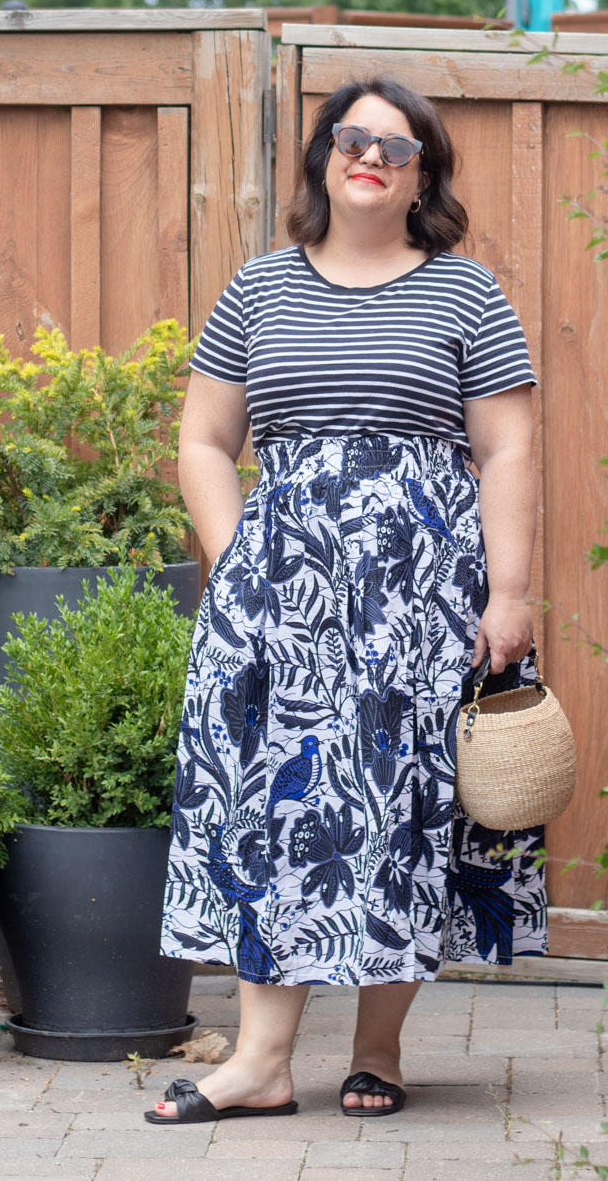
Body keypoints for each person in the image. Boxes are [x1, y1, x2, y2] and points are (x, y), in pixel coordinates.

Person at [148, 76, 545, 1127]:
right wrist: (241, 558)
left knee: (400, 810)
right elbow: (202, 441)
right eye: (352, 137)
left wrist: (506, 593)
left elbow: (505, 446)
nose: (369, 155)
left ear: (422, 176)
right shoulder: (260, 289)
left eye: (396, 145)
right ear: (324, 154)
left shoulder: (464, 295)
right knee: (269, 811)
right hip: (276, 600)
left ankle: (377, 1048)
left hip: (420, 597)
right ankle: (262, 1061)